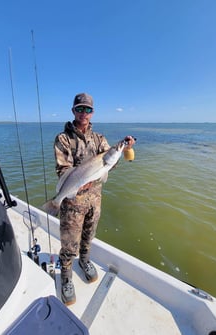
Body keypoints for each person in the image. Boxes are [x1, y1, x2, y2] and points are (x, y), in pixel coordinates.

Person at [54, 93, 135, 305]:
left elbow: (110, 162)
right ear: (73, 111)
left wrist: (123, 148)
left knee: (89, 235)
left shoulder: (100, 139)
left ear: (92, 113)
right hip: (72, 201)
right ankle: (66, 277)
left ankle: (85, 261)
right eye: (80, 109)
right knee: (69, 242)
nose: (84, 113)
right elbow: (63, 169)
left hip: (95, 200)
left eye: (88, 110)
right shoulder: (63, 138)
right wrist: (75, 188)